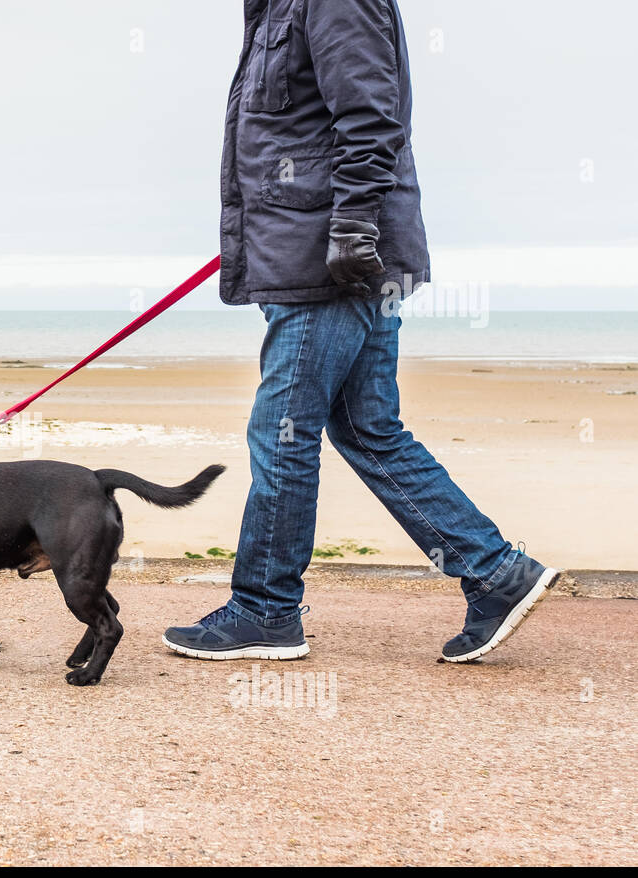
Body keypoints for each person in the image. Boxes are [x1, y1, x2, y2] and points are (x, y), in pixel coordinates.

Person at [162, 0, 558, 663]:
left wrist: (352, 228)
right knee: (367, 426)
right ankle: (495, 574)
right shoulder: (276, 9)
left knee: (283, 430)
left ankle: (265, 609)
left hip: (333, 258)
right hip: (318, 248)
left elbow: (372, 116)